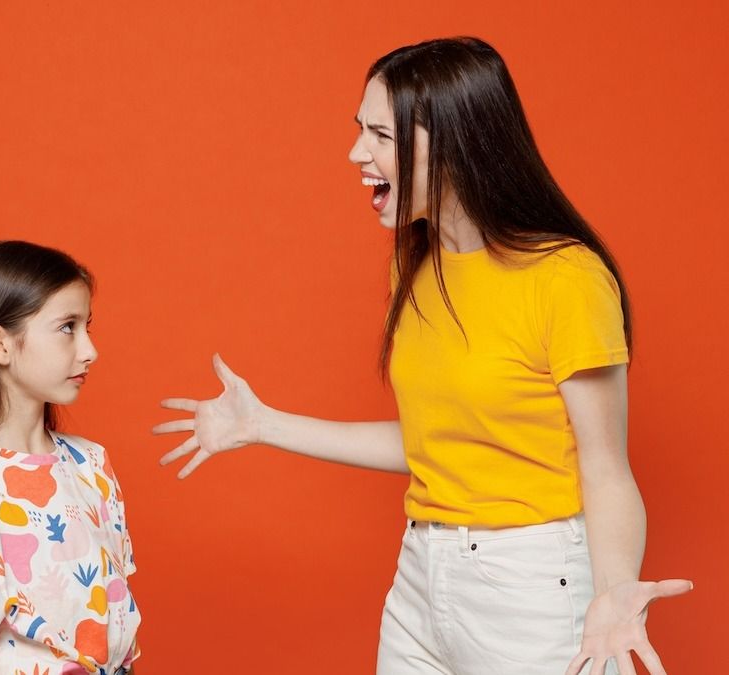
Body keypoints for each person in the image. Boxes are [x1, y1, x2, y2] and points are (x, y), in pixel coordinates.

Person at [153, 37, 691, 675]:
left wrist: (614, 592)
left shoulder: (566, 280)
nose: (357, 153)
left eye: (380, 135)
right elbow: (433, 443)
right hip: (420, 576)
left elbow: (606, 470)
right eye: (360, 130)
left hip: (530, 586)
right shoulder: (416, 268)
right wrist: (261, 425)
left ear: (455, 144)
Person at [0, 241, 141, 674]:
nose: (90, 350)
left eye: (87, 326)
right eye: (67, 327)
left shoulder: (92, 466)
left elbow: (115, 632)